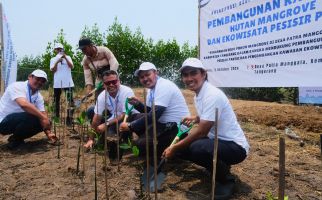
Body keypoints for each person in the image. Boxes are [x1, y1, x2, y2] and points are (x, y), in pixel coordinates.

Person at [162, 58, 250, 198]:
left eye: (193, 73)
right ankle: (217, 166)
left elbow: (202, 131)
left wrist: (174, 148)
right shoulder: (199, 94)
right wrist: (196, 118)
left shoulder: (212, 94)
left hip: (235, 147)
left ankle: (226, 180)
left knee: (197, 148)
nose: (189, 78)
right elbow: (209, 116)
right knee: (187, 148)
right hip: (217, 141)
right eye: (185, 75)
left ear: (203, 74)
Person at [119, 62, 190, 161]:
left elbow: (155, 114)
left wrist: (131, 126)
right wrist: (138, 104)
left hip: (176, 128)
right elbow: (150, 111)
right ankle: (148, 143)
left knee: (141, 145)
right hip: (162, 123)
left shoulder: (164, 85)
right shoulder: (151, 90)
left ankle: (171, 150)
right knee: (134, 117)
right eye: (141, 77)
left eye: (148, 74)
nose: (145, 79)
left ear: (156, 73)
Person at [84, 70, 138, 162]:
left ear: (119, 81)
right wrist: (90, 139)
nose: (111, 85)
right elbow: (96, 118)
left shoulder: (127, 91)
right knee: (91, 110)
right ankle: (101, 138)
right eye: (108, 83)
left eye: (114, 82)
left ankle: (126, 138)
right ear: (104, 84)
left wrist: (106, 124)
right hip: (114, 117)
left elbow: (124, 114)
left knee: (113, 133)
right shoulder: (102, 96)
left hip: (129, 118)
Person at [0, 69, 58, 149]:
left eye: (43, 81)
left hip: (18, 121)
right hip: (3, 121)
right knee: (33, 117)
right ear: (30, 77)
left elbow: (43, 115)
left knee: (44, 121)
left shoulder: (39, 97)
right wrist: (43, 118)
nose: (39, 82)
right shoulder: (17, 86)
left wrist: (48, 133)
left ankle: (16, 140)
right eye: (37, 79)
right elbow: (23, 104)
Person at [50, 43, 74, 122]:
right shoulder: (53, 59)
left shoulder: (68, 57)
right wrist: (57, 61)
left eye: (60, 48)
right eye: (57, 49)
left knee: (70, 101)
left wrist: (65, 58)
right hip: (57, 83)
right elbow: (53, 70)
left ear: (63, 49)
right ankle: (56, 118)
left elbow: (72, 67)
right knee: (56, 101)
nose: (59, 50)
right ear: (55, 50)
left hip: (68, 83)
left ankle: (69, 119)